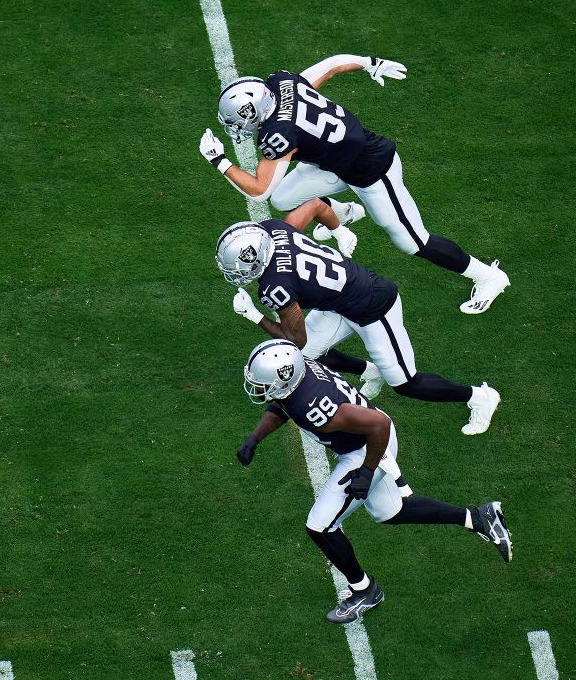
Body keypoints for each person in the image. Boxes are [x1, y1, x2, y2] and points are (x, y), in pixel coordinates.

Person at [198, 54, 511, 314]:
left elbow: (259, 190)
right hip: (335, 163)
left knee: (412, 241)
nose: (240, 128)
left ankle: (488, 276)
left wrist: (219, 160)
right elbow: (332, 65)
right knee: (283, 197)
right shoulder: (283, 84)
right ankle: (343, 213)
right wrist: (369, 62)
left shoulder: (279, 134)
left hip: (373, 170)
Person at [236, 339, 512, 623]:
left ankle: (364, 590)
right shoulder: (299, 374)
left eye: (263, 383)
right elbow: (284, 404)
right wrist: (255, 437)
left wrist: (366, 472)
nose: (259, 389)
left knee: (320, 526)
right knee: (390, 511)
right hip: (364, 440)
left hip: (369, 448)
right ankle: (478, 517)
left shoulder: (314, 404)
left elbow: (379, 426)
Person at [215, 201, 501, 435]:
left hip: (372, 307)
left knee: (406, 383)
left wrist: (254, 316)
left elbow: (295, 338)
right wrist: (337, 230)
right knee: (303, 358)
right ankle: (370, 371)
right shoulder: (274, 229)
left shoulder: (274, 286)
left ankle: (480, 397)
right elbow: (315, 205)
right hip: (341, 299)